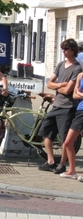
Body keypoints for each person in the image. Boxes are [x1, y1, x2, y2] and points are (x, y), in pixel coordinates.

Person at [38, 38, 82, 174]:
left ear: (73, 50)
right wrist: (61, 85)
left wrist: (59, 86)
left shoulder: (77, 68)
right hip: (56, 104)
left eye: (66, 49)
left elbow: (68, 90)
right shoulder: (60, 64)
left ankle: (62, 164)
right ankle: (51, 160)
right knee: (45, 130)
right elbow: (49, 83)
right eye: (62, 48)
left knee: (65, 139)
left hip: (68, 106)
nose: (63, 51)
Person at [59, 71, 83, 180]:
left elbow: (78, 93)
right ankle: (72, 171)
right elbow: (74, 94)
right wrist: (78, 93)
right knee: (68, 142)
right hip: (80, 112)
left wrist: (81, 94)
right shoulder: (80, 75)